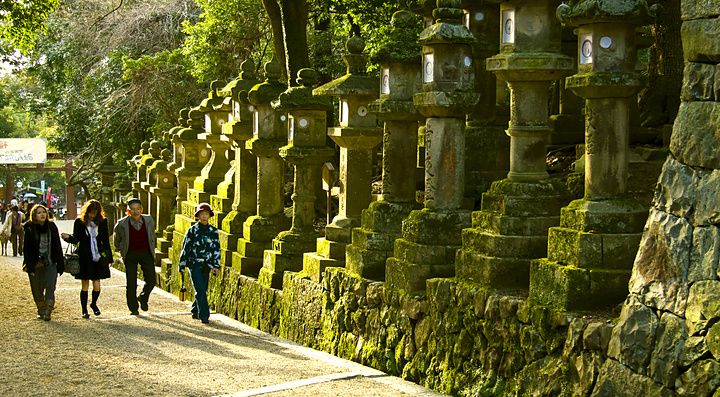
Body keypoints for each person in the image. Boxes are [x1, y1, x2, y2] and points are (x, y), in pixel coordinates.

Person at [61, 200, 112, 319]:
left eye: (94, 213)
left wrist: (109, 258)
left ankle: (94, 304)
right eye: (90, 212)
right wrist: (68, 238)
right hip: (84, 255)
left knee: (97, 284)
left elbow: (105, 241)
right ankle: (84, 309)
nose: (92, 215)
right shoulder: (79, 222)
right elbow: (77, 240)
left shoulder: (103, 222)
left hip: (98, 256)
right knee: (85, 284)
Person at [178, 203, 220, 324]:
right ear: (198, 216)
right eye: (202, 214)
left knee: (203, 289)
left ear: (209, 216)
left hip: (207, 264)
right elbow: (185, 247)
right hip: (194, 263)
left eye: (206, 214)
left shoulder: (213, 231)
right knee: (200, 290)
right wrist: (181, 265)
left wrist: (216, 266)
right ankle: (204, 315)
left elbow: (216, 249)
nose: (204, 216)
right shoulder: (192, 230)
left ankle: (195, 309)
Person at [113, 198, 156, 315]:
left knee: (152, 280)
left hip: (146, 252)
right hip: (130, 254)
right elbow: (116, 240)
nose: (135, 211)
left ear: (141, 209)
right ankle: (133, 307)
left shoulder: (149, 220)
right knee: (131, 282)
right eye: (132, 209)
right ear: (128, 211)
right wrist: (121, 250)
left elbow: (152, 234)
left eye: (138, 209)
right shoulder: (121, 224)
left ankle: (143, 296)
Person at [22, 204, 64, 321]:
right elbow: (27, 249)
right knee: (37, 288)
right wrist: (30, 266)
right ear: (34, 215)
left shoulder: (51, 226)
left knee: (50, 285)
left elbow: (57, 245)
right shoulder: (30, 227)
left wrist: (60, 264)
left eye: (44, 212)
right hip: (35, 263)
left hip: (50, 261)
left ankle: (48, 311)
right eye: (39, 213)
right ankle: (41, 309)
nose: (42, 214)